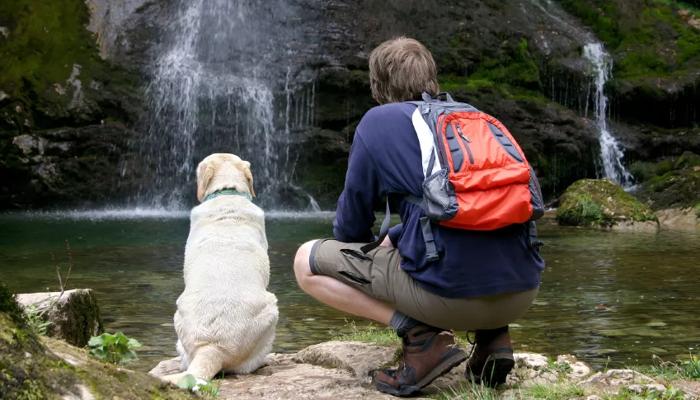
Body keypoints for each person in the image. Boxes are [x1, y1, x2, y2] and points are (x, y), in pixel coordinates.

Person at [293, 37, 545, 397]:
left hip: (447, 299)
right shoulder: (475, 117)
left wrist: (381, 250)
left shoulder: (377, 122)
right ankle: (493, 340)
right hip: (523, 291)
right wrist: (398, 234)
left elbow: (351, 226)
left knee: (306, 261)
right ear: (432, 77)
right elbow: (474, 208)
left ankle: (421, 338)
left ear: (377, 84)